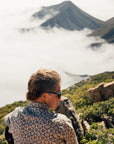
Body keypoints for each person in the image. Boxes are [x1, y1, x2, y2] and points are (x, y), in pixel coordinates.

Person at [4, 68, 78, 144]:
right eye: (58, 94)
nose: (60, 99)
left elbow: (6, 120)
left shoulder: (15, 116)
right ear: (44, 96)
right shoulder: (62, 123)